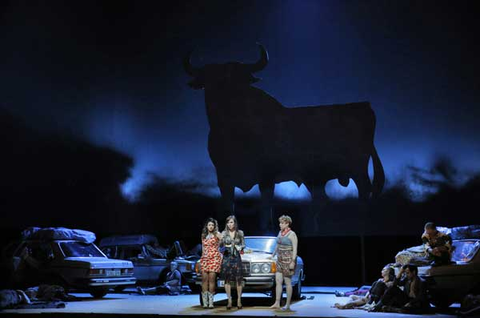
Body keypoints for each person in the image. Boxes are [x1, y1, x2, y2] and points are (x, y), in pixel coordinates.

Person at [270, 215, 298, 311]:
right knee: (278, 281)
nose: (280, 224)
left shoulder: (292, 234)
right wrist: (272, 255)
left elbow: (295, 249)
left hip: (288, 259)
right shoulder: (280, 233)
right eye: (280, 222)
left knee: (287, 282)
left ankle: (288, 305)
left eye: (282, 223)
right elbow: (277, 245)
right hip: (279, 259)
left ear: (287, 224)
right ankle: (277, 302)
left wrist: (293, 262)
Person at [220, 215, 245, 310]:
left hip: (236, 257)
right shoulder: (223, 233)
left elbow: (243, 244)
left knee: (239, 279)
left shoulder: (240, 233)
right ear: (227, 223)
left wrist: (240, 247)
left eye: (232, 222)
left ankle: (239, 300)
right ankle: (229, 300)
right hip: (227, 257)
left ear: (235, 223)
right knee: (227, 279)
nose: (230, 224)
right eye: (229, 222)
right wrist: (222, 244)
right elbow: (220, 247)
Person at [199, 218, 223, 309]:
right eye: (209, 225)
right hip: (205, 258)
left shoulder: (217, 234)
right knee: (204, 280)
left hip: (214, 258)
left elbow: (224, 243)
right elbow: (203, 248)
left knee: (212, 279)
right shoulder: (203, 235)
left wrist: (221, 252)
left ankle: (211, 302)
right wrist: (202, 258)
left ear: (214, 226)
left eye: (212, 225)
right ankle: (205, 302)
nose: (211, 226)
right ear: (207, 226)